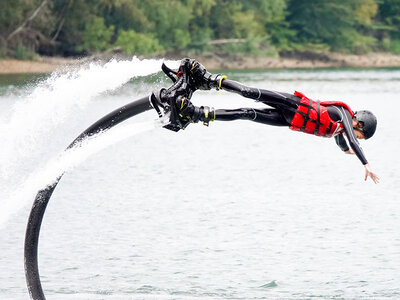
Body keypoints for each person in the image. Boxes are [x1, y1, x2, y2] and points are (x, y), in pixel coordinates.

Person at [155, 59, 379, 184]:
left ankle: (196, 113)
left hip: (288, 120)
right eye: (362, 136)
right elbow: (351, 138)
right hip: (292, 105)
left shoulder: (340, 129)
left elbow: (342, 141)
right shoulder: (342, 114)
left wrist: (345, 152)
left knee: (245, 113)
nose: (358, 138)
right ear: (360, 124)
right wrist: (365, 163)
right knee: (248, 92)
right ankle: (208, 79)